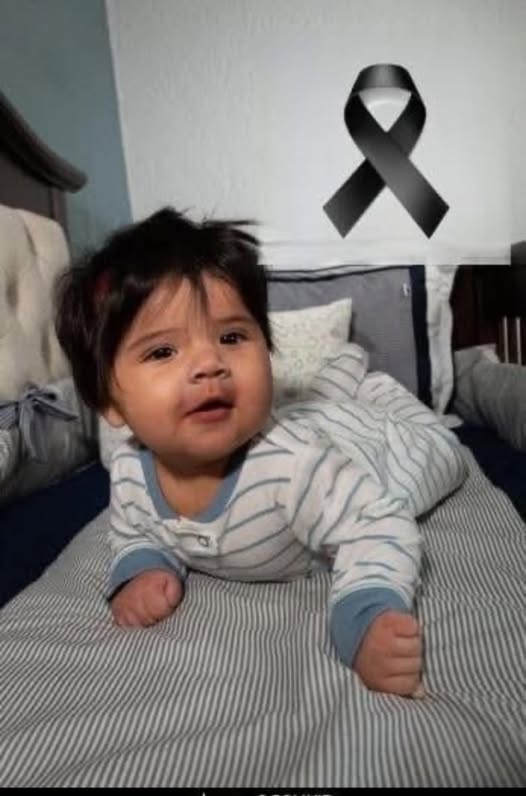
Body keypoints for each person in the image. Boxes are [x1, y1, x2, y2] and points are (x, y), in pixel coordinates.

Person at [55, 207, 423, 697]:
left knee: (396, 424)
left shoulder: (292, 466)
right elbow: (135, 531)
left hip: (372, 443)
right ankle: (341, 371)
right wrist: (143, 566)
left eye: (231, 337)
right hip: (313, 423)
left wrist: (365, 614)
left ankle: (356, 373)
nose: (210, 363)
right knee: (320, 401)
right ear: (109, 403)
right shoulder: (128, 469)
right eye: (162, 351)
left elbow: (378, 523)